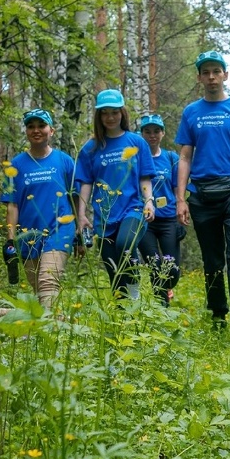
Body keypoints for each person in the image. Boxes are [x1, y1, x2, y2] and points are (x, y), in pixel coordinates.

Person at [175, 50, 230, 350]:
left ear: (225, 75)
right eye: (206, 72)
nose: (211, 77)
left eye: (217, 71)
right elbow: (185, 157)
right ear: (199, 78)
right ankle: (217, 317)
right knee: (213, 261)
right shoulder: (191, 112)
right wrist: (180, 198)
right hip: (201, 196)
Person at [75, 89, 156, 302]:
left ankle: (135, 294)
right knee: (113, 271)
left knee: (125, 244)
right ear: (99, 116)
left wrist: (149, 201)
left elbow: (145, 178)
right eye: (105, 113)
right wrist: (81, 215)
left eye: (114, 112)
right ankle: (123, 318)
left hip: (133, 209)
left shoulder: (136, 142)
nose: (110, 117)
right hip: (104, 215)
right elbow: (85, 183)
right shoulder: (90, 149)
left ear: (122, 113)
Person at [0, 108, 78, 310]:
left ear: (51, 130)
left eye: (41, 126)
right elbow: (12, 204)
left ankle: (49, 332)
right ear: (26, 131)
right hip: (28, 236)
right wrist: (11, 239)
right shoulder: (15, 165)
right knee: (38, 290)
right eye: (31, 126)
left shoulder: (64, 161)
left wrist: (79, 230)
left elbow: (76, 198)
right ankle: (51, 330)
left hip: (59, 231)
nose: (36, 130)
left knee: (47, 281)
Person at [136, 113, 184, 307]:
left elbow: (177, 189)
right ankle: (161, 307)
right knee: (156, 265)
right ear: (142, 134)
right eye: (147, 131)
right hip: (145, 221)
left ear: (162, 133)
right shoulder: (136, 158)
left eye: (156, 131)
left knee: (172, 269)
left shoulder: (171, 158)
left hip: (168, 220)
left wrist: (181, 212)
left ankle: (167, 288)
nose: (152, 135)